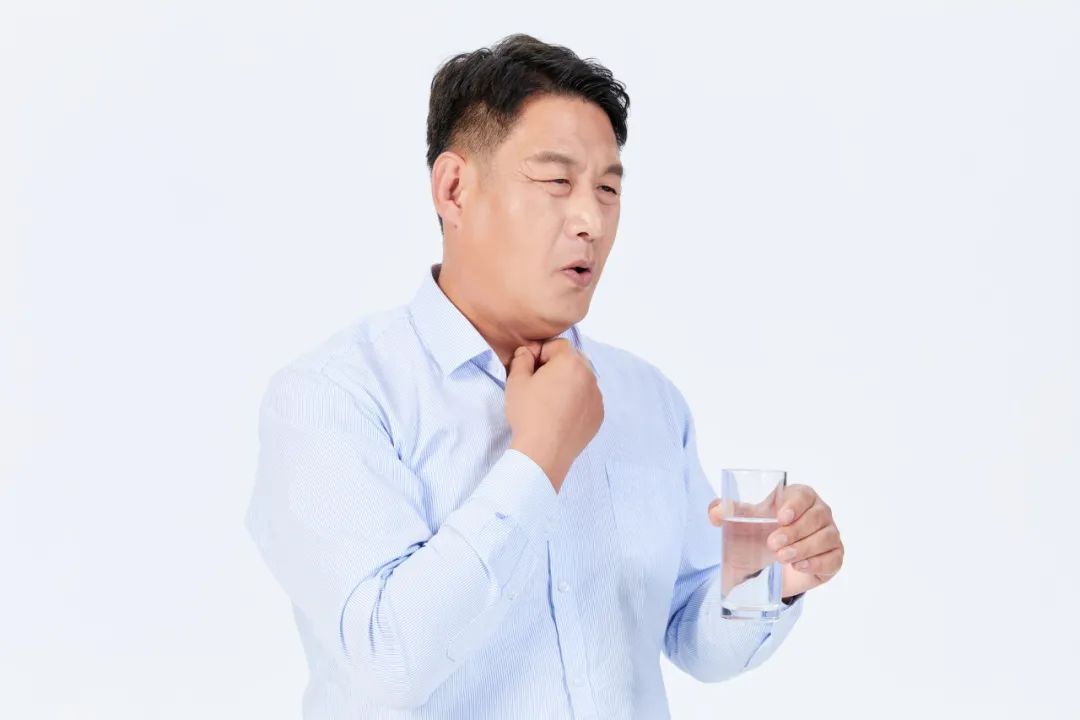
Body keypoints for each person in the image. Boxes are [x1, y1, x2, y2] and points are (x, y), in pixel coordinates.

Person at [244, 33, 845, 719]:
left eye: (608, 189)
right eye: (557, 182)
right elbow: (386, 662)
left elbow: (689, 630)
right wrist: (538, 459)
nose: (591, 220)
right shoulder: (335, 397)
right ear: (455, 189)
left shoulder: (648, 399)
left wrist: (770, 576)